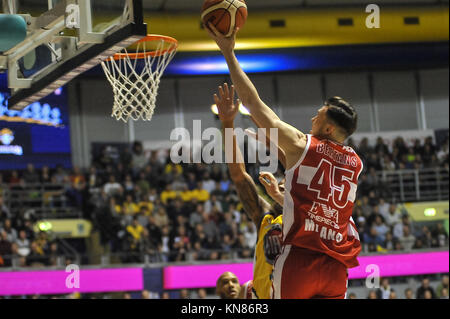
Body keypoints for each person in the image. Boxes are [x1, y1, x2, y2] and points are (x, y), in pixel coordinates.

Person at [207, 24, 362, 299]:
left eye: (319, 115)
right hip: (337, 264)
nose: (313, 117)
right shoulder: (354, 162)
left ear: (328, 129)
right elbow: (316, 184)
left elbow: (255, 104)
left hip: (301, 260)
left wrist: (229, 53)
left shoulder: (303, 144)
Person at [214, 85, 284, 299]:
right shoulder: (266, 217)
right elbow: (239, 175)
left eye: (285, 187)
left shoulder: (308, 215)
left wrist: (276, 145)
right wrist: (227, 123)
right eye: (279, 186)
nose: (280, 187)